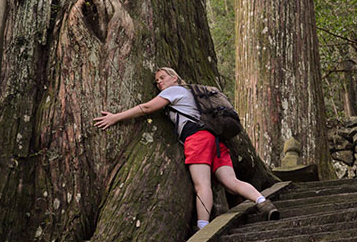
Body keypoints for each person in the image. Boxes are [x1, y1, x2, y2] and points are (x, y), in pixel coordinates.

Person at [94, 67, 279, 230]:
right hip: (215, 140)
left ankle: (203, 227)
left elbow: (148, 107)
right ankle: (263, 202)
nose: (159, 82)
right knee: (231, 182)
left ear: (174, 78)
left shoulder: (175, 90)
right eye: (157, 81)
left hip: (197, 140)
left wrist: (115, 117)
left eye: (163, 77)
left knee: (202, 185)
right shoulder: (191, 92)